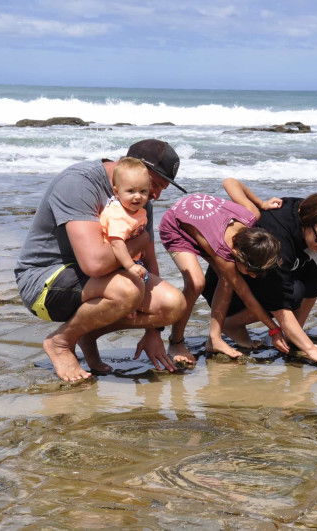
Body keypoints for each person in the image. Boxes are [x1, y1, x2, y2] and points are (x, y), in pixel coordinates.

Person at [14, 139, 188, 382]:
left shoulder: (139, 198)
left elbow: (149, 261)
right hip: (44, 281)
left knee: (173, 305)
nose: (156, 195)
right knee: (128, 290)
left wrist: (154, 331)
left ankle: (87, 333)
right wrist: (139, 242)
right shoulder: (79, 183)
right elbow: (94, 264)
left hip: (98, 278)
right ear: (135, 168)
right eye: (156, 185)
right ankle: (61, 342)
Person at [202, 179, 317, 368]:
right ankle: (230, 323)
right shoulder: (278, 237)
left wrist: (294, 337)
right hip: (227, 291)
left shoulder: (316, 232)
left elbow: (313, 289)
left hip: (263, 281)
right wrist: (310, 349)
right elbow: (279, 301)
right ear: (306, 221)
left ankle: (291, 334)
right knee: (294, 292)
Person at [158, 192, 289, 364]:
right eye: (251, 271)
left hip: (203, 224)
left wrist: (261, 204)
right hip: (176, 225)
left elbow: (229, 182)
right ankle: (176, 342)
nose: (255, 276)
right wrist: (273, 329)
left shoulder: (251, 215)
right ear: (235, 253)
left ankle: (214, 339)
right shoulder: (222, 251)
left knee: (227, 279)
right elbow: (245, 295)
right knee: (196, 283)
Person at [99, 157, 151, 300]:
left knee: (142, 282)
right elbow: (117, 243)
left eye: (143, 191)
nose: (137, 196)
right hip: (115, 261)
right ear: (116, 192)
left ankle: (131, 306)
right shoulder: (118, 214)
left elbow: (135, 232)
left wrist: (141, 251)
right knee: (133, 286)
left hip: (129, 257)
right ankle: (128, 307)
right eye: (130, 191)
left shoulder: (138, 210)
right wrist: (130, 266)